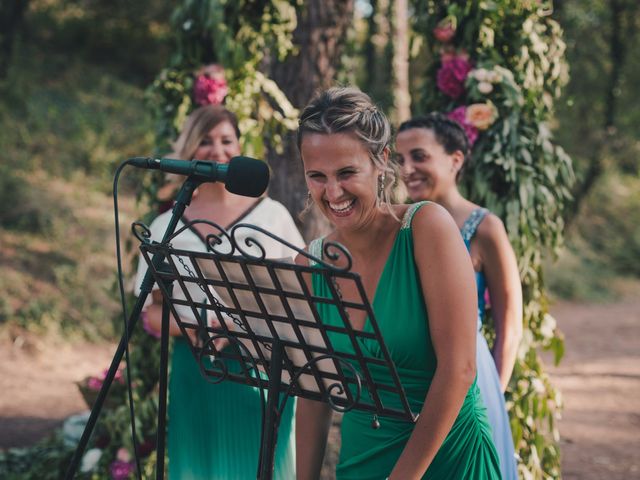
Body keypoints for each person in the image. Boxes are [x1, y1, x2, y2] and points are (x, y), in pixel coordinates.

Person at [295, 87, 501, 480]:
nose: (332, 192)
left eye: (346, 173)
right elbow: (315, 395)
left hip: (448, 455)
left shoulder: (426, 227)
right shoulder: (309, 263)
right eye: (317, 176)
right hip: (362, 458)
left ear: (381, 162)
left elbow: (459, 368)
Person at [134, 104, 304, 479]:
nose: (218, 151)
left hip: (264, 368)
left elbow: (301, 300)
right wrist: (196, 327)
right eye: (206, 141)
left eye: (227, 140)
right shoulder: (166, 225)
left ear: (240, 147)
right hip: (196, 371)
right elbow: (151, 313)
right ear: (189, 149)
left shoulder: (272, 216)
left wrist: (244, 326)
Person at [395, 113, 523, 480]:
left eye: (419, 156)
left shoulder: (485, 227)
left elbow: (510, 324)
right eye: (400, 159)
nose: (408, 169)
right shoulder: (399, 226)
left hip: (471, 373)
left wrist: (491, 396)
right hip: (413, 375)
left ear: (455, 159)